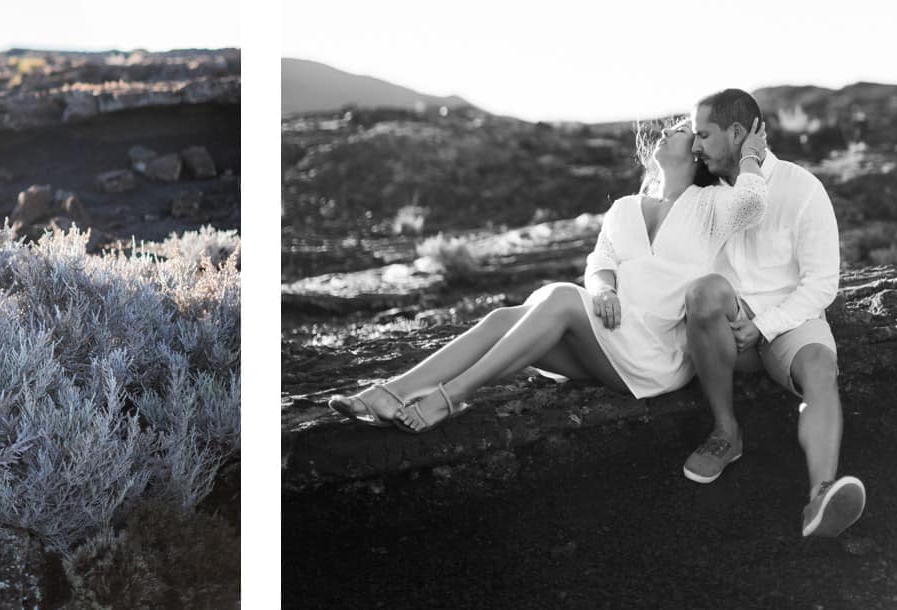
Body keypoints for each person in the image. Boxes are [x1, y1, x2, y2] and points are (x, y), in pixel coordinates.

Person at [327, 116, 770, 432]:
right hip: (609, 336)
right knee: (504, 318)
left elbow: (752, 204)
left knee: (558, 296)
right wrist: (601, 289)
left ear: (695, 154)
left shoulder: (710, 206)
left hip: (655, 355)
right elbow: (600, 261)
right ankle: (390, 392)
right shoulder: (623, 209)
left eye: (680, 130)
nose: (666, 132)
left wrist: (749, 155)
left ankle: (449, 398)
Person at [680, 88, 865, 540]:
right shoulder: (701, 196)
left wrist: (764, 325)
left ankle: (820, 495)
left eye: (703, 134)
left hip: (788, 322)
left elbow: (821, 284)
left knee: (821, 366)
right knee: (704, 292)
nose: (695, 146)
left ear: (737, 133)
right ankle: (726, 433)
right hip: (726, 326)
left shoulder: (802, 188)